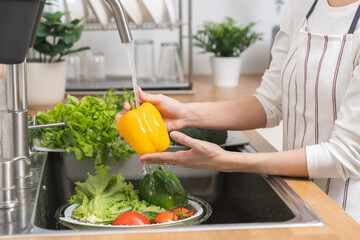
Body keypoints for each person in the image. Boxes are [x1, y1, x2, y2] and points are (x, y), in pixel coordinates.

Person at [117, 0, 360, 223]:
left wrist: (229, 161)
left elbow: (347, 154)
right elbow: (270, 103)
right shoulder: (303, 5)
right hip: (300, 195)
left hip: (346, 215)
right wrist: (184, 114)